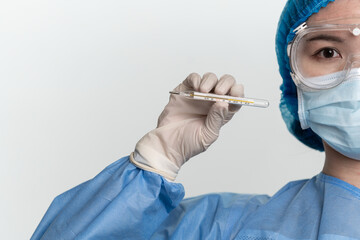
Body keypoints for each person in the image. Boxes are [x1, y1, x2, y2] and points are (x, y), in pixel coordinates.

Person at [31, 0, 360, 239]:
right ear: (295, 83)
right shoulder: (221, 228)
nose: (355, 75)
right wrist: (157, 158)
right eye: (328, 52)